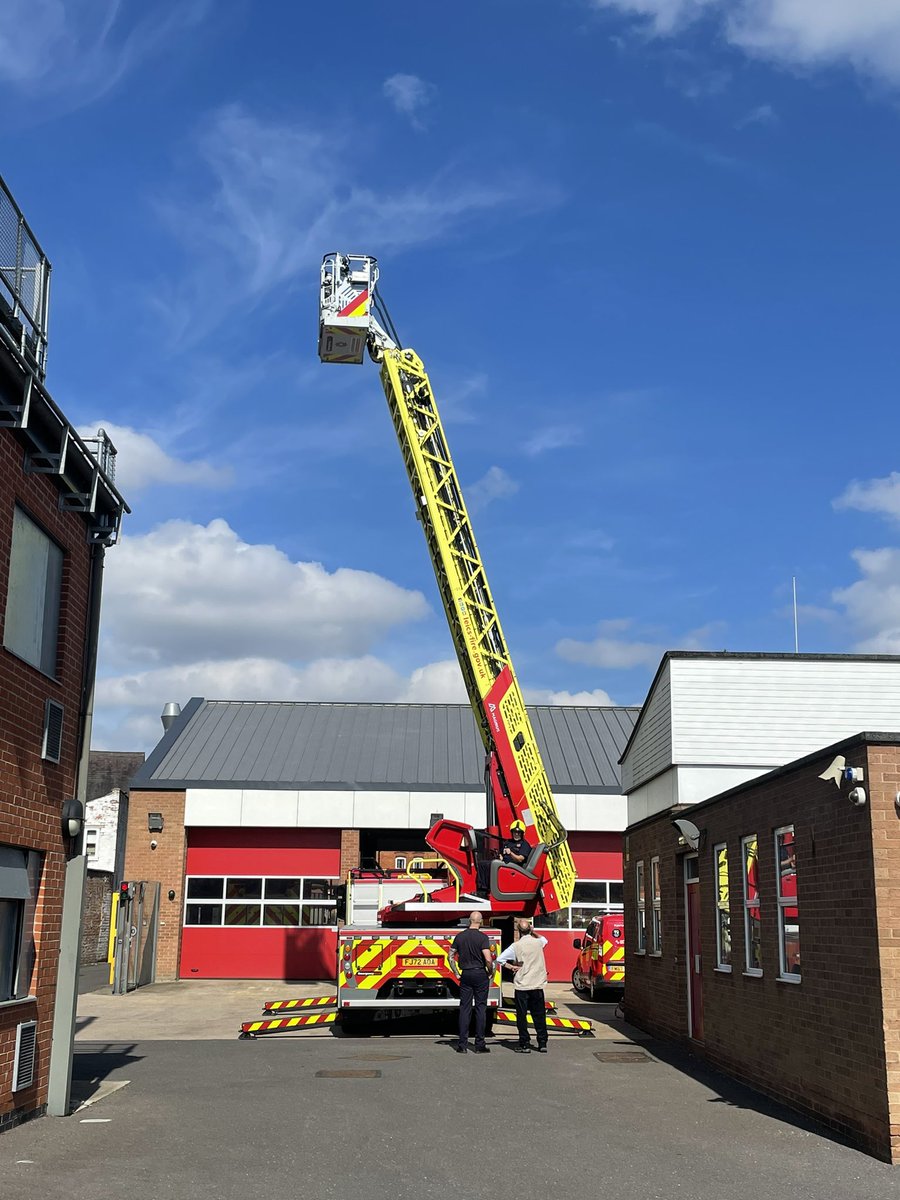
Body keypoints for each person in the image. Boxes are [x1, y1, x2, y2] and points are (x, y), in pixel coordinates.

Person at [497, 917, 548, 1053]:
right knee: (539, 1015)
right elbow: (545, 940)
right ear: (529, 930)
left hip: (522, 986)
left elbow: (499, 959)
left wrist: (511, 967)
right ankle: (542, 1043)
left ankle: (524, 1043)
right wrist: (534, 932)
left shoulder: (516, 946)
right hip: (537, 985)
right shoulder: (538, 943)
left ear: (519, 931)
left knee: (522, 1016)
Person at [450, 911, 494, 1054]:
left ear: (469, 920)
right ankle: (479, 1044)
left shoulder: (460, 936)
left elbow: (450, 956)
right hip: (480, 973)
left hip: (466, 974)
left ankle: (462, 1045)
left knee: (465, 1008)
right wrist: (490, 972)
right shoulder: (482, 938)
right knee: (481, 1008)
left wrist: (456, 973)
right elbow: (488, 959)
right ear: (480, 922)